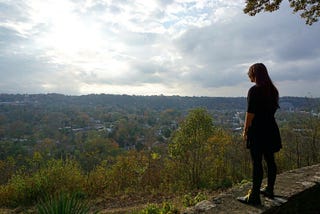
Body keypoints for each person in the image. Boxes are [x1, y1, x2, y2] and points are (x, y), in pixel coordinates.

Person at [237, 63, 282, 205]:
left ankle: (254, 196)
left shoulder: (254, 90)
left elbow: (250, 114)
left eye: (250, 74)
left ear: (254, 74)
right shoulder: (273, 90)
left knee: (257, 163)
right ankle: (269, 189)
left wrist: (245, 130)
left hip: (257, 131)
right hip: (271, 129)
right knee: (270, 160)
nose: (249, 76)